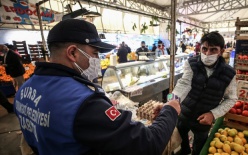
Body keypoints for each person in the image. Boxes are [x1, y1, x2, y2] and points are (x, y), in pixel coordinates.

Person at [13, 19, 180, 155]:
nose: (98, 60)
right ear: (73, 53)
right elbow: (147, 144)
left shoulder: (24, 89)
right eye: (94, 53)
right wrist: (170, 110)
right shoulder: (84, 103)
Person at [172, 31, 237, 155]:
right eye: (204, 49)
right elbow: (183, 84)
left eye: (213, 50)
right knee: (181, 134)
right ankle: (185, 150)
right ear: (200, 48)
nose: (207, 53)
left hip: (204, 118)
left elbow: (231, 98)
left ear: (221, 51)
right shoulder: (191, 63)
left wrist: (213, 114)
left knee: (200, 143)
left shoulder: (229, 73)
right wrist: (171, 101)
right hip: (184, 112)